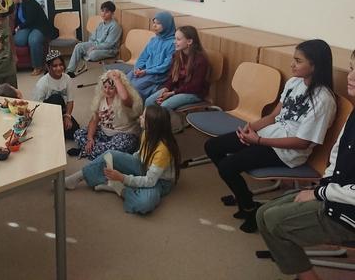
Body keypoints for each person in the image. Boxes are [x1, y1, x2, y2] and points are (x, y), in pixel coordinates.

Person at [204, 39, 337, 233]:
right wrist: (249, 128)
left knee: (227, 166)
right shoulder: (294, 82)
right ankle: (243, 196)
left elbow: (302, 142)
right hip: (265, 137)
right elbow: (274, 116)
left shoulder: (323, 100)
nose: (292, 64)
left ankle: (248, 207)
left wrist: (258, 140)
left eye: (298, 61)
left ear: (315, 66)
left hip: (287, 152)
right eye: (294, 59)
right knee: (212, 146)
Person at [256, 49, 355, 280]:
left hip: (347, 209)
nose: (351, 76)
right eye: (351, 68)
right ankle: (303, 271)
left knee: (273, 220)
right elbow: (337, 156)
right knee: (262, 213)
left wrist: (321, 192)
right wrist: (325, 184)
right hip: (335, 193)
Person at [65, 105, 180, 214]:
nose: (140, 117)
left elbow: (150, 181)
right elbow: (141, 154)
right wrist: (126, 162)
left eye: (143, 117)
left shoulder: (162, 150)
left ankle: (118, 187)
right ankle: (76, 178)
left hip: (159, 182)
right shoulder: (147, 132)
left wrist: (122, 178)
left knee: (145, 203)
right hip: (144, 166)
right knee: (110, 154)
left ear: (152, 125)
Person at [71, 69, 143, 160]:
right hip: (105, 133)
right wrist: (90, 138)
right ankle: (99, 153)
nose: (107, 90)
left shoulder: (124, 100)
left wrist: (116, 78)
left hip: (124, 135)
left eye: (111, 88)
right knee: (78, 134)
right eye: (105, 87)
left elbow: (124, 97)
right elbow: (94, 120)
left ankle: (88, 151)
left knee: (120, 145)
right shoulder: (100, 99)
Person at [145, 25, 209, 111]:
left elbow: (195, 86)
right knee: (149, 101)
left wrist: (173, 93)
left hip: (194, 93)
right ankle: (147, 123)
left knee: (164, 106)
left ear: (189, 41)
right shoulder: (176, 55)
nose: (174, 42)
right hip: (177, 90)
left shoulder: (201, 60)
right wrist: (166, 89)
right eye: (175, 39)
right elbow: (172, 77)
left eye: (178, 39)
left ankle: (165, 124)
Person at [125, 12, 176, 100]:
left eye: (158, 23)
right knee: (125, 81)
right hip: (144, 70)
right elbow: (143, 56)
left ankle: (137, 106)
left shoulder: (173, 43)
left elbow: (165, 66)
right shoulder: (154, 39)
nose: (154, 26)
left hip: (158, 74)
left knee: (135, 87)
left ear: (167, 25)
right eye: (154, 23)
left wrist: (146, 72)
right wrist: (138, 68)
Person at [66, 1, 122, 78]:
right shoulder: (100, 24)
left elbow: (109, 44)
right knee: (79, 46)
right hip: (96, 46)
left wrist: (94, 48)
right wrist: (89, 46)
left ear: (112, 13)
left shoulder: (115, 26)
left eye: (107, 12)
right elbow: (92, 38)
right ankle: (70, 71)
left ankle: (85, 54)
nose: (103, 13)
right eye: (102, 11)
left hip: (109, 50)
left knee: (93, 54)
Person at [32, 50, 79, 140]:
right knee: (56, 98)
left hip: (62, 111)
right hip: (47, 113)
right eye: (55, 66)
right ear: (48, 67)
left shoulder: (67, 78)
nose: (59, 68)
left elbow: (70, 100)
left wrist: (67, 117)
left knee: (76, 131)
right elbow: (37, 107)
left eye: (61, 64)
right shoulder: (42, 83)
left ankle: (57, 128)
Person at [8, 0, 55, 76]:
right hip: (27, 27)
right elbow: (18, 19)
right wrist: (16, 29)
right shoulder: (17, 4)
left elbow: (31, 19)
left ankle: (38, 67)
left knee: (33, 40)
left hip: (39, 26)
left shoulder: (30, 2)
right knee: (17, 40)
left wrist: (19, 27)